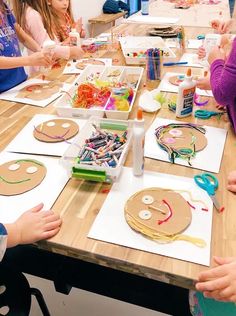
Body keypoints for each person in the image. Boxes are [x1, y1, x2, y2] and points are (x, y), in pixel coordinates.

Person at [12, 0, 84, 68]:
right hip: (44, 69)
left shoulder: (36, 13)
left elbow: (49, 45)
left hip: (49, 65)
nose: (65, 3)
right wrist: (70, 51)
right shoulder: (33, 15)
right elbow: (46, 48)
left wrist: (65, 46)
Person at [0, 0, 53, 93]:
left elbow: (21, 35)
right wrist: (29, 60)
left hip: (20, 83)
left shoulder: (4, 6)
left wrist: (40, 50)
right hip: (3, 90)